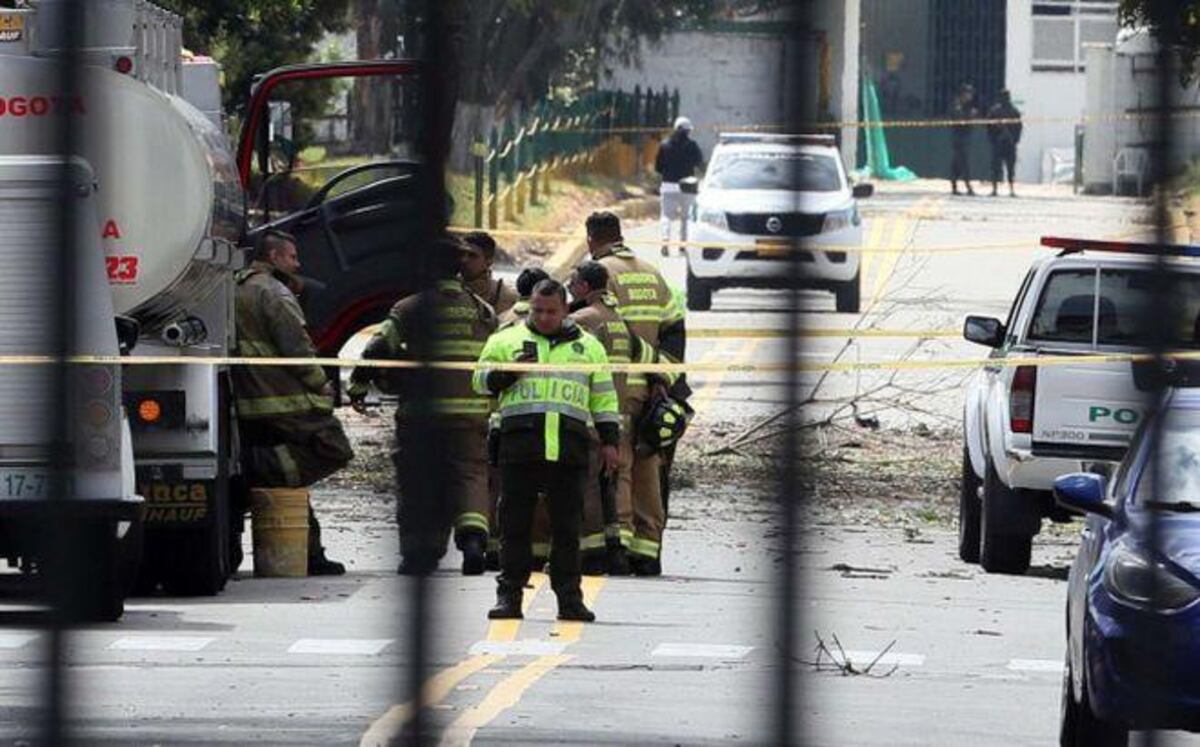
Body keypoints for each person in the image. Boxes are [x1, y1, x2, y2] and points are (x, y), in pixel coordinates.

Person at [347, 238, 497, 575]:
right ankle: (473, 539)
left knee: (418, 480)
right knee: (470, 473)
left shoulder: (410, 307)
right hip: (470, 411)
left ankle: (420, 551)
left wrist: (358, 384)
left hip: (422, 414)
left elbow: (377, 346)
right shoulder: (481, 310)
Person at [474, 279, 621, 622]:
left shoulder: (589, 348)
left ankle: (569, 600)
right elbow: (478, 381)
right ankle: (508, 598)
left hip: (568, 448)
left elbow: (603, 397)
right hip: (518, 446)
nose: (543, 317)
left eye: (551, 311)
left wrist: (610, 442)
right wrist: (507, 374)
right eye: (537, 310)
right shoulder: (505, 340)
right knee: (514, 527)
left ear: (565, 309)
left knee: (568, 529)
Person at [232, 229, 351, 576]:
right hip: (281, 403)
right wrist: (322, 385)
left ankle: (309, 552)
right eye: (292, 257)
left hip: (248, 404)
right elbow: (297, 347)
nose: (298, 264)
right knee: (332, 448)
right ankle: (259, 481)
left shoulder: (234, 288)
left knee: (287, 478)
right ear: (274, 257)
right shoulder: (273, 292)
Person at [585, 211, 688, 575]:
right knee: (649, 468)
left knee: (620, 466)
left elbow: (595, 327)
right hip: (655, 390)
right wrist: (663, 375)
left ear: (590, 240)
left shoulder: (600, 276)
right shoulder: (652, 272)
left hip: (617, 386)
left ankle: (623, 546)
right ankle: (648, 550)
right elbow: (675, 329)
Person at [568, 261, 675, 576]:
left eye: (573, 283)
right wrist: (660, 381)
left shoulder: (584, 320)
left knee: (603, 476)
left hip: (598, 410)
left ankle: (610, 550)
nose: (569, 288)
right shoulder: (619, 320)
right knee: (628, 473)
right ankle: (635, 550)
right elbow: (647, 356)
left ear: (585, 287)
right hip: (629, 404)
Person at [654, 116, 705, 255]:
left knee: (666, 216)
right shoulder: (692, 145)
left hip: (668, 185)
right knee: (686, 218)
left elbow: (658, 167)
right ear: (688, 131)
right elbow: (700, 163)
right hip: (688, 186)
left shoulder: (664, 145)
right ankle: (683, 246)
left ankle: (665, 242)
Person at [460, 231, 519, 316]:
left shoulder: (505, 296)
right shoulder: (448, 292)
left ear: (488, 261)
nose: (464, 260)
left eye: (472, 256)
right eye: (462, 254)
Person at [986, 89, 1022, 198]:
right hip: (1002, 143)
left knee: (1006, 167)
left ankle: (1000, 189)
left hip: (1006, 143)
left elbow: (1018, 127)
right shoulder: (998, 111)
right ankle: (999, 189)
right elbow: (989, 127)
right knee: (1001, 167)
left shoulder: (1011, 111)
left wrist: (1013, 139)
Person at [949, 83, 977, 196]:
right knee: (963, 163)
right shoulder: (957, 105)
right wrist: (970, 115)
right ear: (963, 94)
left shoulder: (965, 106)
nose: (970, 96)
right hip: (959, 138)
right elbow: (959, 119)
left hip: (963, 137)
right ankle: (968, 187)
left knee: (957, 163)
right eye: (968, 93)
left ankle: (955, 186)